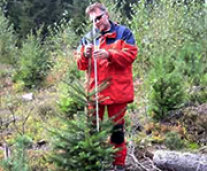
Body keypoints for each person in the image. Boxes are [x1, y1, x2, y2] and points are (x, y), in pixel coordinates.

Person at [76, 2, 138, 171]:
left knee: (117, 131)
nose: (97, 23)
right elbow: (80, 65)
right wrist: (84, 54)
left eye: (99, 18)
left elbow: (130, 55)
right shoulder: (88, 38)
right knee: (92, 129)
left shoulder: (124, 33)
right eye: (93, 20)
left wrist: (109, 54)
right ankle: (93, 161)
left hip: (117, 92)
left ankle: (119, 164)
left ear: (107, 14)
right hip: (94, 93)